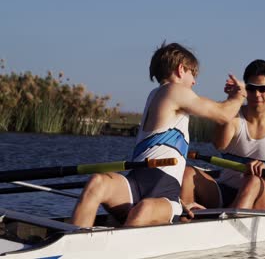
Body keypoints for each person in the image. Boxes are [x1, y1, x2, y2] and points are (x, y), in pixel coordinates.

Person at [71, 42, 246, 227]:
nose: (194, 81)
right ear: (180, 70)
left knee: (143, 208)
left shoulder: (155, 94)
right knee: (97, 182)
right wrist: (238, 96)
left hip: (166, 196)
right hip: (136, 182)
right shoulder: (174, 91)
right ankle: (72, 244)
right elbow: (223, 114)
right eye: (192, 74)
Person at [180, 59, 265, 211]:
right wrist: (231, 101)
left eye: (263, 89)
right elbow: (219, 144)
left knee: (253, 180)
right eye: (251, 88)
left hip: (262, 195)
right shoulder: (234, 117)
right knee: (188, 173)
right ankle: (185, 220)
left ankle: (227, 222)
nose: (256, 94)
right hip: (225, 189)